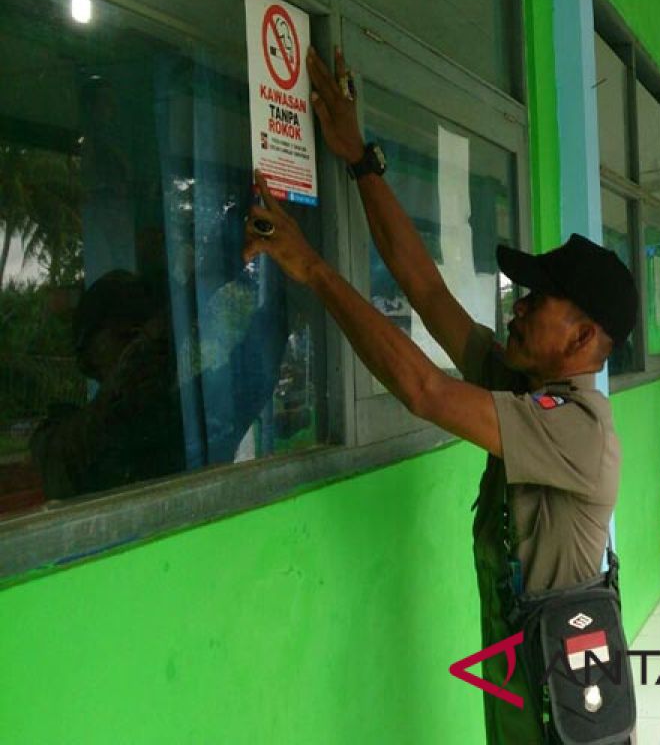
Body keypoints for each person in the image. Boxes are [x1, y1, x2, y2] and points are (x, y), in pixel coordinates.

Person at [244, 47, 639, 744]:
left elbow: (424, 391)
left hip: (565, 717)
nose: (516, 307)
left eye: (537, 301)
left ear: (583, 339)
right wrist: (361, 161)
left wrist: (314, 271)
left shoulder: (579, 428)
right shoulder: (524, 385)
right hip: (528, 684)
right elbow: (425, 290)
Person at [31, 270, 185, 499]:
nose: (140, 351)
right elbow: (60, 463)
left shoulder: (179, 412)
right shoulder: (58, 439)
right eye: (127, 335)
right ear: (89, 354)